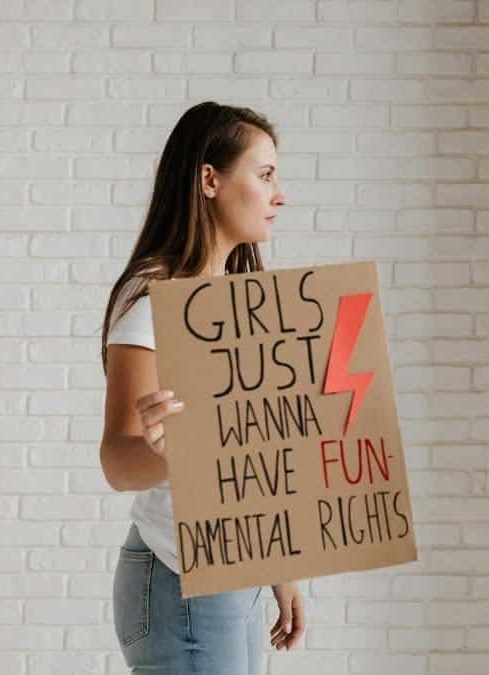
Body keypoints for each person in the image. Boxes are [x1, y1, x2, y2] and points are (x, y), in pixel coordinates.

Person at [98, 102, 304, 675]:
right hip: (181, 580)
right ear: (209, 180)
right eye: (264, 175)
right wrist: (168, 453)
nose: (279, 194)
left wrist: (279, 568)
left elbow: (250, 456)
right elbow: (118, 461)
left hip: (230, 575)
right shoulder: (154, 307)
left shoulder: (236, 304)